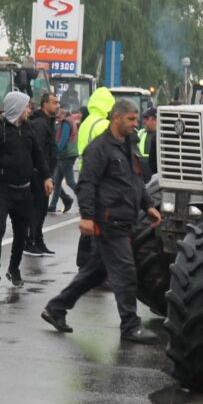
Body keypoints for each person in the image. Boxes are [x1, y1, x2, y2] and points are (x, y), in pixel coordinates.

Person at [41, 98, 162, 344]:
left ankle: (56, 308)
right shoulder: (99, 148)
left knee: (95, 272)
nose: (135, 124)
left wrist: (148, 205)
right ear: (116, 118)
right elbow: (86, 184)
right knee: (127, 272)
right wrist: (86, 217)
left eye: (136, 119)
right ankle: (130, 326)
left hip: (124, 218)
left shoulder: (128, 145)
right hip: (109, 220)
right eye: (131, 119)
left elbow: (135, 182)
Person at [0, 91, 52, 292]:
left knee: (21, 233)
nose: (29, 110)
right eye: (26, 106)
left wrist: (47, 177)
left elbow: (38, 155)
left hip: (23, 190)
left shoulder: (28, 128)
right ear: (17, 108)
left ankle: (14, 269)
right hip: (0, 189)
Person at [76, 87, 115, 266]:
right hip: (99, 177)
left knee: (88, 220)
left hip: (85, 174)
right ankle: (93, 267)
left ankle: (83, 262)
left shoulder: (86, 122)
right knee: (99, 223)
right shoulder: (103, 125)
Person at [25, 92, 59, 257]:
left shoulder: (48, 122)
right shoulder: (39, 123)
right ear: (45, 104)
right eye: (54, 102)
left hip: (45, 172)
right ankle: (30, 241)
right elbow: (37, 151)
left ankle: (38, 240)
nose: (57, 105)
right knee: (36, 208)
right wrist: (43, 172)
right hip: (38, 173)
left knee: (43, 208)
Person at [47, 108, 77, 213]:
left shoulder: (66, 123)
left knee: (70, 181)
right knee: (57, 181)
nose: (57, 115)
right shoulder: (69, 121)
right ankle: (53, 205)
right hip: (65, 155)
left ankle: (86, 200)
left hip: (66, 155)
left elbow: (63, 139)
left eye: (59, 113)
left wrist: (56, 151)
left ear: (64, 113)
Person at [138, 107, 158, 179]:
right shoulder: (140, 133)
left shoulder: (161, 136)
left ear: (155, 120)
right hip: (140, 175)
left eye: (147, 118)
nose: (144, 121)